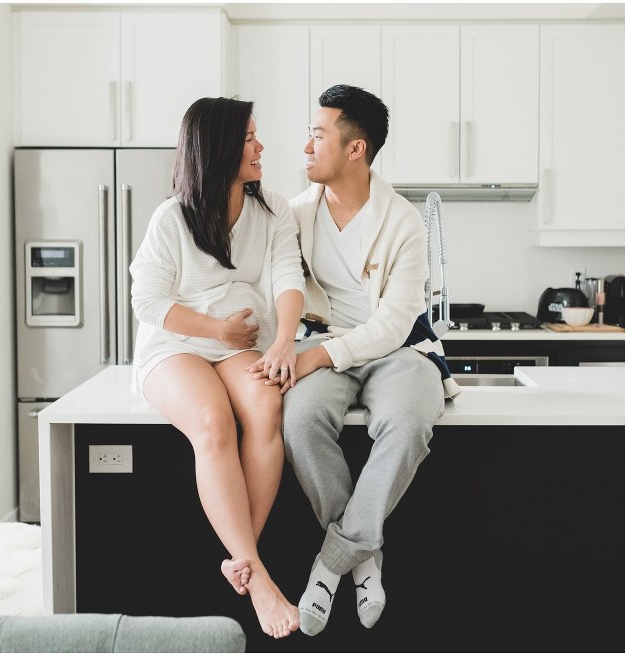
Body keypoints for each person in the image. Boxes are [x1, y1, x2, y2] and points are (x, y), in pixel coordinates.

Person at [250, 84, 461, 636]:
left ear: (355, 149)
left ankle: (329, 563)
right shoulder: (292, 215)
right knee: (298, 421)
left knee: (411, 421)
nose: (305, 147)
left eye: (318, 135)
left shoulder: (404, 222)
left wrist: (318, 355)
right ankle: (364, 558)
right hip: (320, 346)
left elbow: (393, 323)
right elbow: (275, 284)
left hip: (396, 350)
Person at [129, 97, 305, 639]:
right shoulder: (172, 217)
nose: (261, 146)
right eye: (250, 137)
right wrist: (218, 330)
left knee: (266, 404)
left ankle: (240, 562)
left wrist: (284, 344)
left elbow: (287, 280)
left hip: (240, 344)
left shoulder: (272, 210)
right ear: (221, 148)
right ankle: (260, 582)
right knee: (212, 421)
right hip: (176, 343)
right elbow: (149, 302)